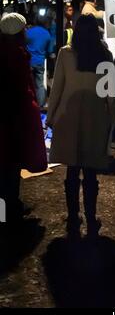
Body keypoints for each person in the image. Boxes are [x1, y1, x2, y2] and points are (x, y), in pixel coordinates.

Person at [47, 15, 115, 239]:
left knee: (72, 168)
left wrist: (50, 117)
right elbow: (111, 94)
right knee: (90, 170)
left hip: (69, 115)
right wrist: (113, 119)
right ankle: (91, 215)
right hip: (95, 116)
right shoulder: (104, 55)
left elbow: (57, 87)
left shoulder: (66, 54)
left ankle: (72, 216)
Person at [0, 13, 47, 224]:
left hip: (6, 119)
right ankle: (11, 209)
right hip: (15, 119)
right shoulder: (18, 55)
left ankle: (5, 211)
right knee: (11, 165)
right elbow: (24, 90)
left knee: (4, 165)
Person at [26, 14, 52, 107]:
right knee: (40, 85)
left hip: (28, 62)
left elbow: (24, 45)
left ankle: (29, 103)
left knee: (28, 84)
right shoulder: (47, 34)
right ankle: (40, 105)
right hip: (40, 62)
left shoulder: (29, 32)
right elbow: (49, 51)